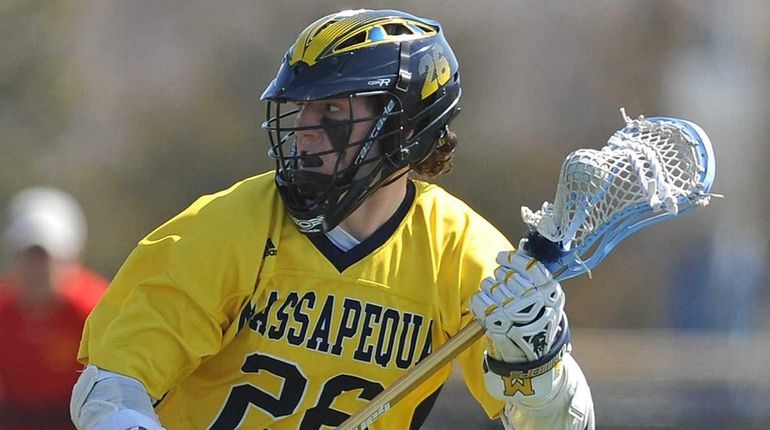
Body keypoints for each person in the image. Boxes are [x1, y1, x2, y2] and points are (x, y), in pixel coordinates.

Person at [70, 9, 594, 430]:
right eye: (302, 111)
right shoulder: (226, 228)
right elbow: (110, 386)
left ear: (403, 130)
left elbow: (553, 425)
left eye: (334, 114)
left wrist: (538, 375)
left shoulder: (464, 255)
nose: (303, 131)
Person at [0, 187, 107, 430]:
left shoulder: (96, 312)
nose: (36, 269)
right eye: (28, 256)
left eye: (45, 257)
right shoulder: (3, 310)